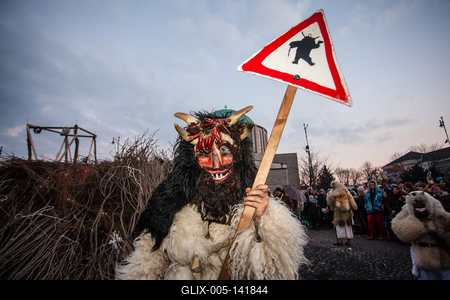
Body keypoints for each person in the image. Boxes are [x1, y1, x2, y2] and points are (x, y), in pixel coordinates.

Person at [116, 106, 308, 280]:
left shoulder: (251, 210)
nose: (216, 164)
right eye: (205, 154)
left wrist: (262, 221)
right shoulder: (169, 209)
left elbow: (274, 271)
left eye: (224, 151)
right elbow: (147, 266)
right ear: (193, 160)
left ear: (238, 156)